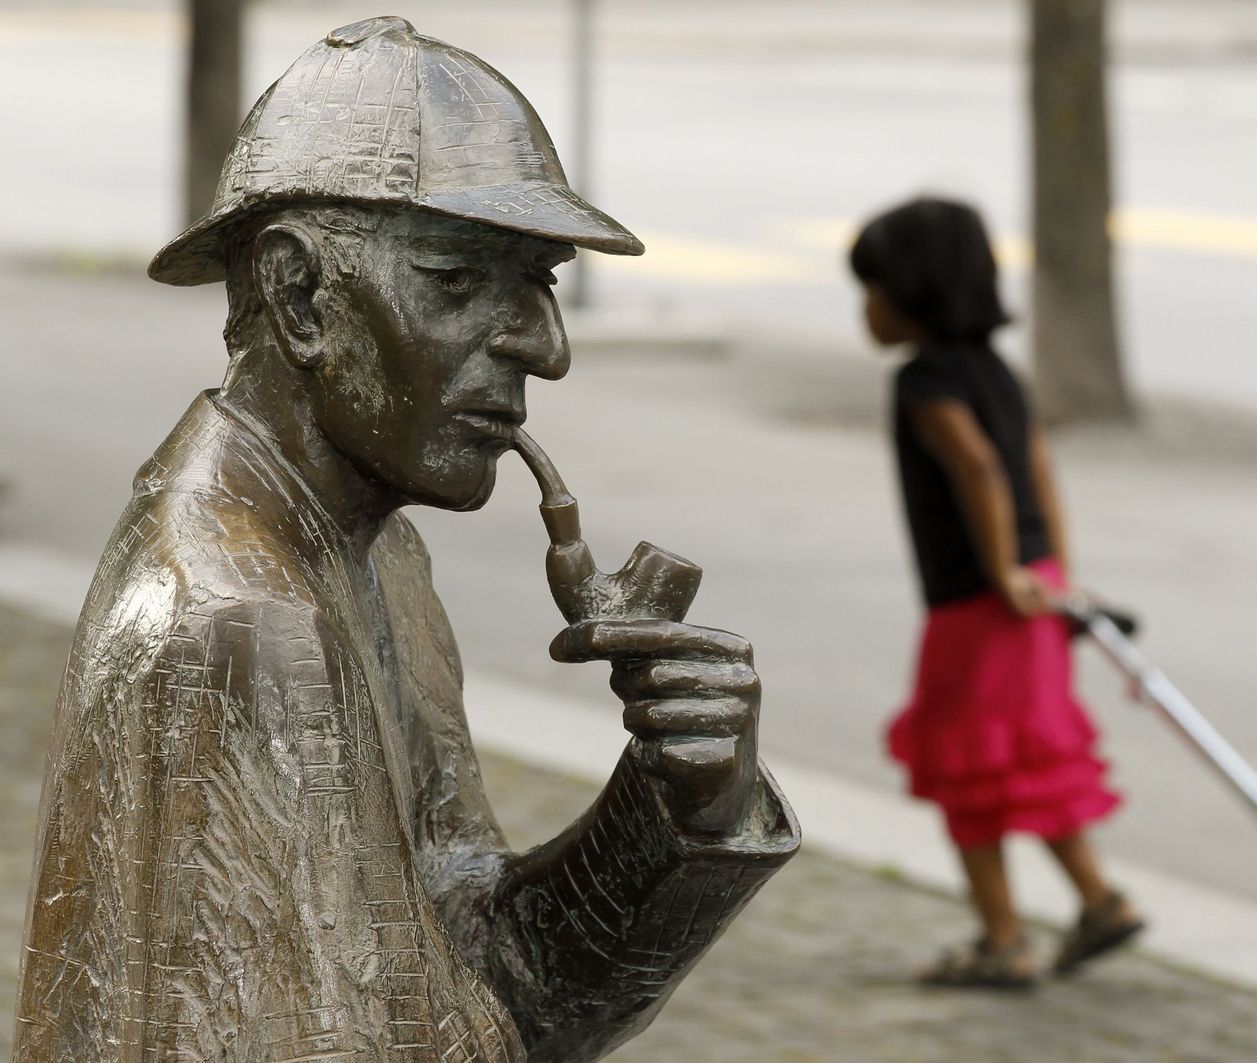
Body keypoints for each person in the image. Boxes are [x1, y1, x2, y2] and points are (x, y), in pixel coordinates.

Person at [15, 18, 796, 1062]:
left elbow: (484, 974)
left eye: (541, 283)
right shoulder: (241, 623)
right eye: (458, 281)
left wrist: (677, 804)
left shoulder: (376, 551)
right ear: (300, 297)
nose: (545, 348)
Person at [849, 196, 1140, 988]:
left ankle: (1003, 938)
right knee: (1026, 761)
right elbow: (1036, 467)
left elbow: (978, 466)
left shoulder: (925, 381)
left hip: (978, 606)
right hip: (1034, 590)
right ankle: (1099, 899)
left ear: (912, 293)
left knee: (967, 768)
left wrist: (1005, 573)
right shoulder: (999, 372)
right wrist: (1052, 573)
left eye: (871, 289)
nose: (864, 308)